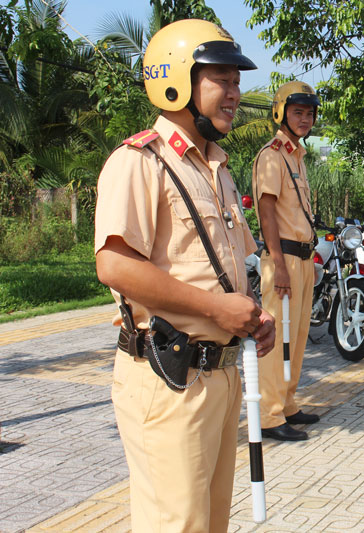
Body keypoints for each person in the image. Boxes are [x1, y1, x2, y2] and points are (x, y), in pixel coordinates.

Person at [94, 20, 275, 532]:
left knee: (210, 522)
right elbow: (114, 264)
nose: (235, 94)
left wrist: (254, 314)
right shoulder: (140, 162)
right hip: (169, 375)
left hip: (220, 374)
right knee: (177, 524)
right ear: (176, 80)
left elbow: (231, 268)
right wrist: (218, 310)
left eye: (237, 82)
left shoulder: (216, 167)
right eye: (222, 80)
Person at [252, 81, 320, 441]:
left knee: (298, 336)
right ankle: (269, 415)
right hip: (284, 260)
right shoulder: (273, 155)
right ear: (280, 113)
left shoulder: (296, 156)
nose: (304, 119)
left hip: (302, 259)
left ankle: (288, 403)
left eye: (309, 113)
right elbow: (267, 213)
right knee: (276, 340)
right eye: (297, 112)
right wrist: (278, 264)